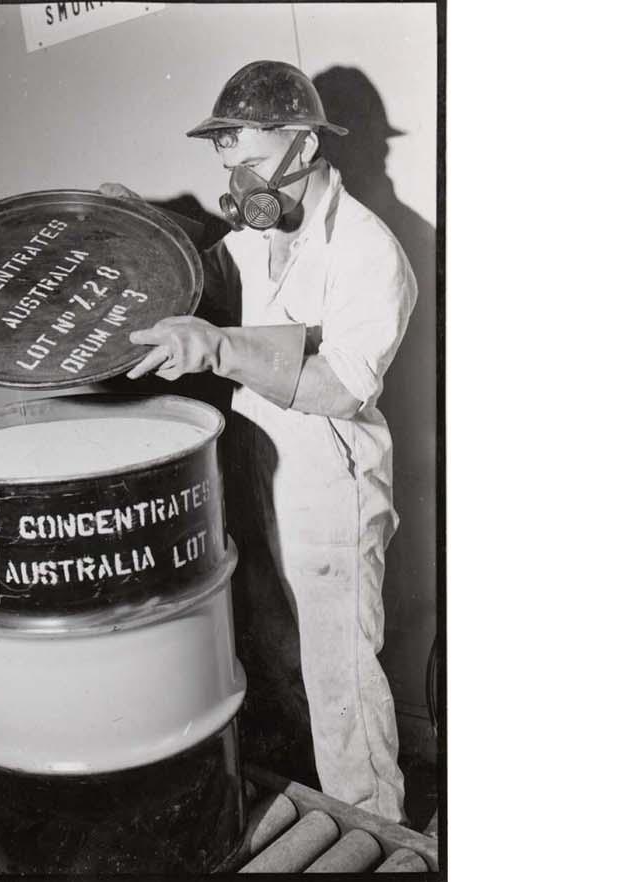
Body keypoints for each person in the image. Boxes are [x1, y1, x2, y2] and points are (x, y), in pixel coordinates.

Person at [101, 60, 416, 823]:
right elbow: (204, 278)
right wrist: (135, 226)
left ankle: (374, 828)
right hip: (258, 469)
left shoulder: (368, 251)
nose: (239, 183)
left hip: (328, 485)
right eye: (226, 164)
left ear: (302, 143)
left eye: (247, 160)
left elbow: (343, 385)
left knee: (339, 672)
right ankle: (315, 801)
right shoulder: (252, 238)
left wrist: (219, 350)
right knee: (278, 649)